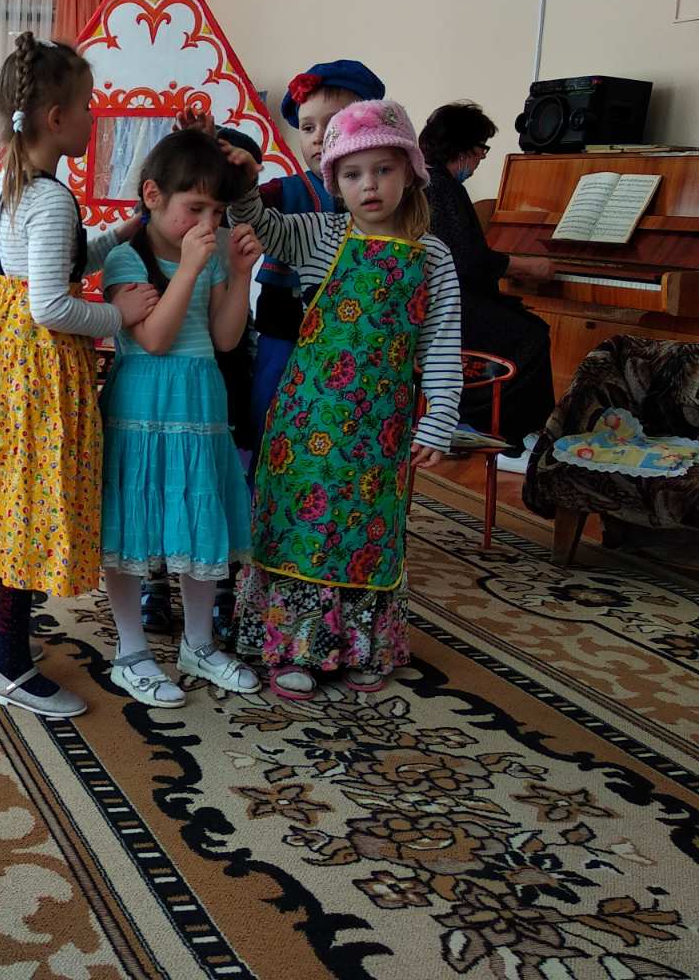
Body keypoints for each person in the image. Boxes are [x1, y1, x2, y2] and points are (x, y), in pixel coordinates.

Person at [0, 32, 156, 719]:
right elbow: (52, 304)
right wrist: (118, 315)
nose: (95, 116)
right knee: (25, 510)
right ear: (56, 117)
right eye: (88, 105)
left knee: (0, 499)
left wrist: (120, 234)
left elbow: (35, 265)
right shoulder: (52, 197)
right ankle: (13, 669)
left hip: (1, 364)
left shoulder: (7, 184)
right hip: (36, 371)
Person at [229, 99, 461, 700]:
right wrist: (243, 180)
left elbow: (441, 344)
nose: (369, 185)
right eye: (353, 174)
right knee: (302, 528)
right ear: (335, 181)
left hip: (380, 433)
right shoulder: (320, 234)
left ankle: (362, 644)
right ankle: (296, 647)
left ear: (410, 172)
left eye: (383, 170)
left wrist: (438, 419)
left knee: (365, 534)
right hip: (306, 424)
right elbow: (259, 222)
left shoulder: (433, 256)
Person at [100, 129, 264, 706]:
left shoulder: (210, 255)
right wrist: (191, 269)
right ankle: (131, 651)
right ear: (153, 196)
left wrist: (238, 274)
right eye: (195, 208)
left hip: (201, 404)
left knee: (200, 516)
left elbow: (225, 337)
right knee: (132, 520)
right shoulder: (125, 257)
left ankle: (198, 644)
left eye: (216, 212)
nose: (207, 223)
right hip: (141, 408)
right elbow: (156, 338)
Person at [250, 61, 386, 464]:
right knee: (272, 415)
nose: (319, 136)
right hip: (284, 326)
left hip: (355, 339)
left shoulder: (386, 199)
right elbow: (240, 205)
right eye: (307, 127)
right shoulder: (286, 190)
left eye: (333, 122)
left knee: (342, 428)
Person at [420, 101, 556, 470]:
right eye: (481, 148)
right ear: (462, 148)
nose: (481, 157)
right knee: (532, 335)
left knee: (520, 322)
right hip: (447, 309)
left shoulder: (428, 181)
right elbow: (468, 261)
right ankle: (512, 440)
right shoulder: (442, 187)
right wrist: (525, 265)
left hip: (436, 303)